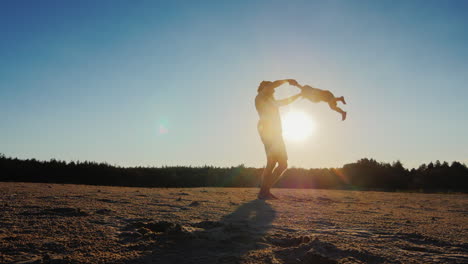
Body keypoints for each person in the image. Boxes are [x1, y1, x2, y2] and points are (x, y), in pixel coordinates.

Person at [255, 79, 302, 199]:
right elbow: (273, 85)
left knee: (283, 164)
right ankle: (264, 192)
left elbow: (285, 101)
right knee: (272, 162)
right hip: (267, 132)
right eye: (271, 88)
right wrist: (287, 80)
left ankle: (264, 190)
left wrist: (299, 95)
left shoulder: (272, 102)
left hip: (276, 134)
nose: (274, 90)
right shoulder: (260, 97)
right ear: (264, 88)